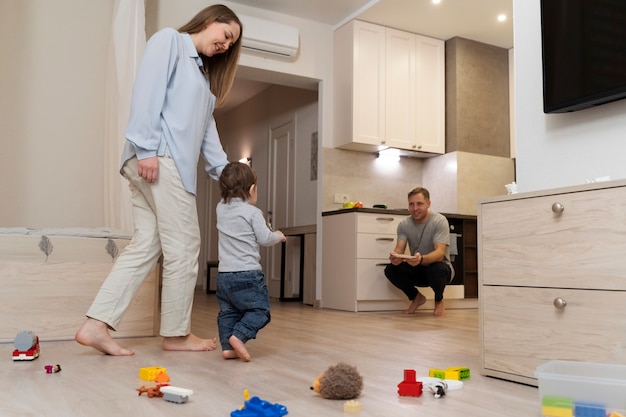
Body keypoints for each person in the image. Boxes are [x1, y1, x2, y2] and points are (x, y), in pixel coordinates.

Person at [75, 4, 243, 356]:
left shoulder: (201, 79)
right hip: (159, 160)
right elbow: (147, 90)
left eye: (231, 44)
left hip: (157, 162)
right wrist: (147, 147)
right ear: (211, 20)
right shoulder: (170, 41)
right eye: (226, 35)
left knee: (146, 245)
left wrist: (228, 178)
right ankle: (176, 335)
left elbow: (206, 134)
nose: (226, 46)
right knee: (184, 248)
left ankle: (95, 325)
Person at [215, 162, 286, 361]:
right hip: (247, 274)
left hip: (223, 276)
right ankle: (239, 336)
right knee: (260, 310)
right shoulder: (253, 213)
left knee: (228, 312)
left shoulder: (220, 208)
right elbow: (264, 238)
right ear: (252, 190)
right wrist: (278, 235)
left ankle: (228, 348)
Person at [384, 187, 454, 317]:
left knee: (437, 269)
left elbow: (439, 253)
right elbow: (399, 248)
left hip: (439, 269)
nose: (415, 208)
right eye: (411, 204)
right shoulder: (404, 224)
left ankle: (439, 300)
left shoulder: (439, 221)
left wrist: (421, 259)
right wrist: (395, 257)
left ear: (428, 203)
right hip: (418, 267)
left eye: (419, 204)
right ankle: (416, 298)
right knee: (390, 269)